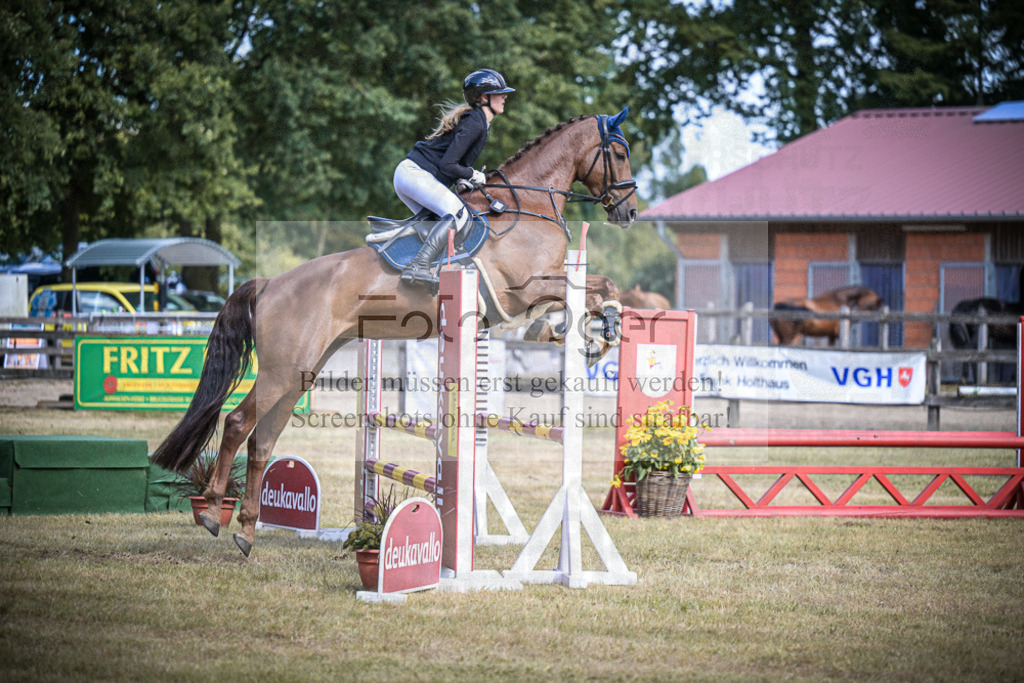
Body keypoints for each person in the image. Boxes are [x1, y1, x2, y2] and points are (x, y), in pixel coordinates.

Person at [394, 68, 514, 288]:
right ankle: (417, 266)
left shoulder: (479, 122)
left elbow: (451, 165)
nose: (505, 96)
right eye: (499, 93)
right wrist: (472, 174)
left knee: (440, 226)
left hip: (410, 175)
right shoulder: (475, 122)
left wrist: (462, 179)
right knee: (458, 215)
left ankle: (428, 271)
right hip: (416, 174)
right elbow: (448, 164)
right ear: (484, 98)